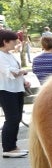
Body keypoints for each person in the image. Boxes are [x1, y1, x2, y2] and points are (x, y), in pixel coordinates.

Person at [0, 29, 31, 157]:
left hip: (16, 89)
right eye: (13, 41)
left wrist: (24, 80)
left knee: (16, 118)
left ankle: (13, 145)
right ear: (5, 42)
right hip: (6, 90)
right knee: (12, 118)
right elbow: (10, 71)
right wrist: (23, 71)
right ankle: (8, 148)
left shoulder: (9, 54)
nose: (16, 43)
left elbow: (16, 70)